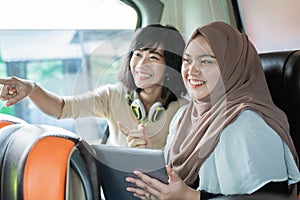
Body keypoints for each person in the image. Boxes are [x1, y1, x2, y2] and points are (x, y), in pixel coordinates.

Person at [123, 21, 300, 199]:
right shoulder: (184, 117)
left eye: (206, 61)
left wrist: (190, 197)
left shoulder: (249, 122)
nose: (192, 70)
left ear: (231, 67)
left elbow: (272, 198)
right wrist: (148, 159)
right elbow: (176, 183)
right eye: (187, 60)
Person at [0, 24, 188, 149]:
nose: (140, 64)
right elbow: (62, 107)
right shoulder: (113, 95)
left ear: (170, 66)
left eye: (153, 57)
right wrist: (32, 89)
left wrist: (150, 156)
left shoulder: (184, 111)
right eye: (137, 54)